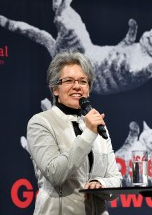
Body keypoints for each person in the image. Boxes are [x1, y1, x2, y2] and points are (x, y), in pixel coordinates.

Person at [27, 50, 122, 215]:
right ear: (55, 89)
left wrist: (101, 184)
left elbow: (116, 179)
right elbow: (55, 174)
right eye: (69, 80)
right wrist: (88, 134)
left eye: (83, 81)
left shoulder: (97, 125)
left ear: (89, 88)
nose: (77, 86)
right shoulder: (41, 123)